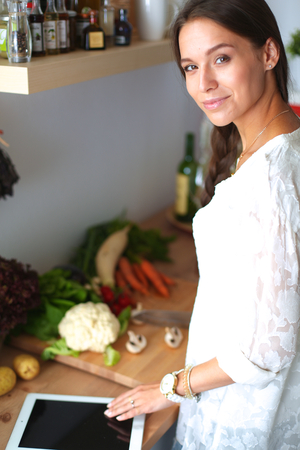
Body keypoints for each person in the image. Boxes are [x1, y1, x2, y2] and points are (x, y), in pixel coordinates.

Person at [104, 0, 300, 448]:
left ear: (268, 54)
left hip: (244, 415)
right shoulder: (285, 145)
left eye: (222, 58)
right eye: (191, 66)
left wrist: (169, 388)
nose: (203, 83)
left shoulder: (267, 183)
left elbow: (266, 350)